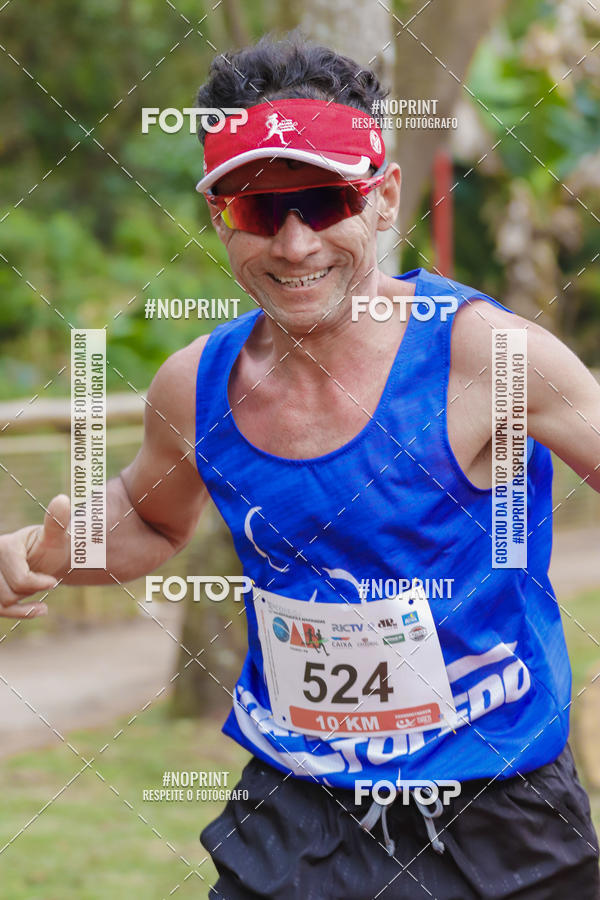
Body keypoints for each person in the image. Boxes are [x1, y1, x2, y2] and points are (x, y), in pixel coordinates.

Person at [1, 34, 600, 899]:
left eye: (323, 202)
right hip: (296, 813)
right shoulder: (197, 386)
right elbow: (149, 515)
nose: (293, 244)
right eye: (257, 209)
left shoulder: (487, 356)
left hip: (499, 818)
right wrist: (48, 548)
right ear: (220, 219)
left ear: (384, 198)